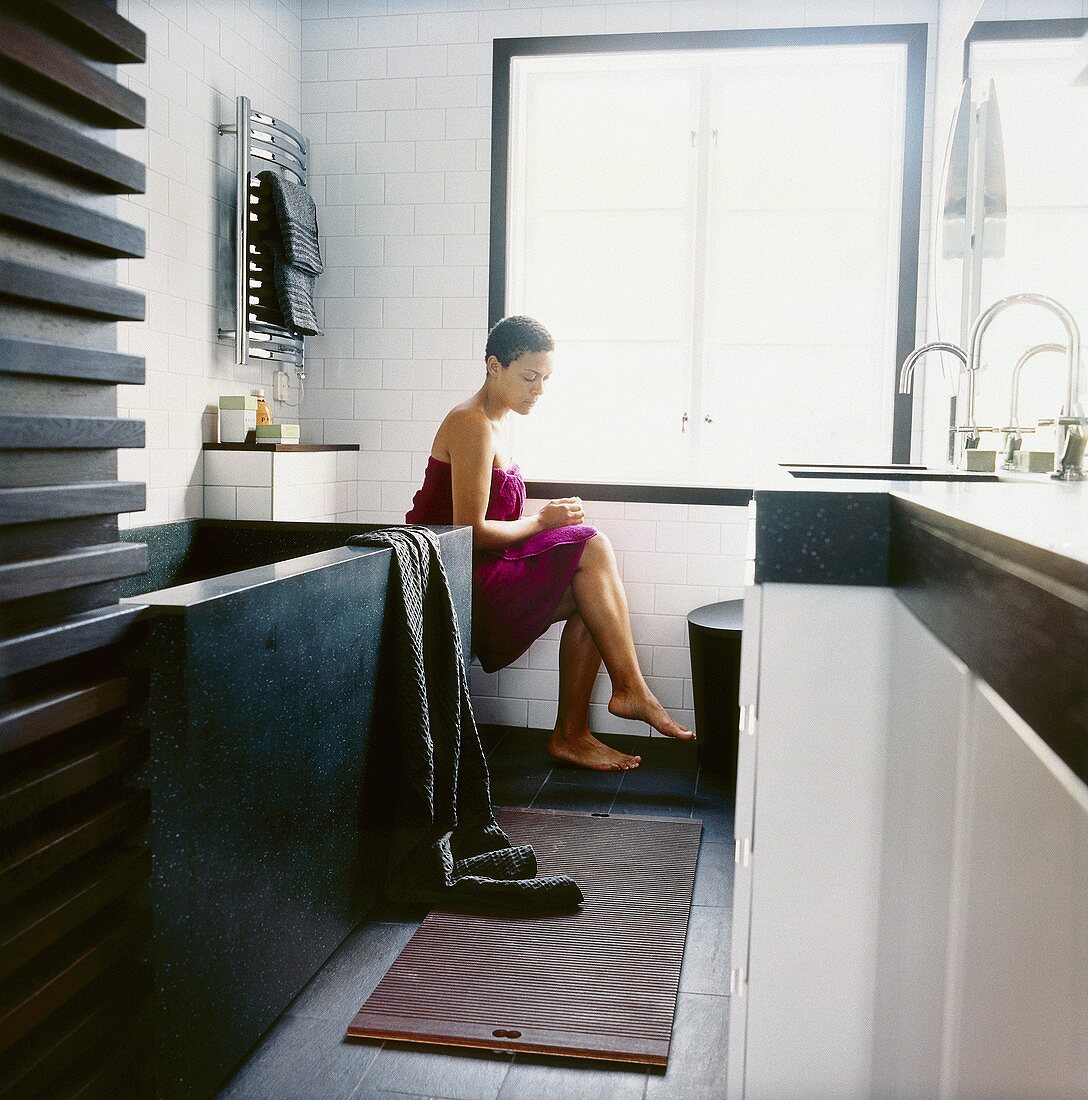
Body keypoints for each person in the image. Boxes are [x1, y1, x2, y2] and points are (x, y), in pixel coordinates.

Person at [406, 315, 693, 771]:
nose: (538, 389)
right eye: (529, 376)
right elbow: (471, 530)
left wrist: (544, 521)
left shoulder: (497, 423)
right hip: (449, 583)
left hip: (479, 570)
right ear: (493, 366)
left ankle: (572, 735)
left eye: (546, 379)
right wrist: (542, 520)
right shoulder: (471, 424)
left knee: (591, 595)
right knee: (591, 545)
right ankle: (631, 690)